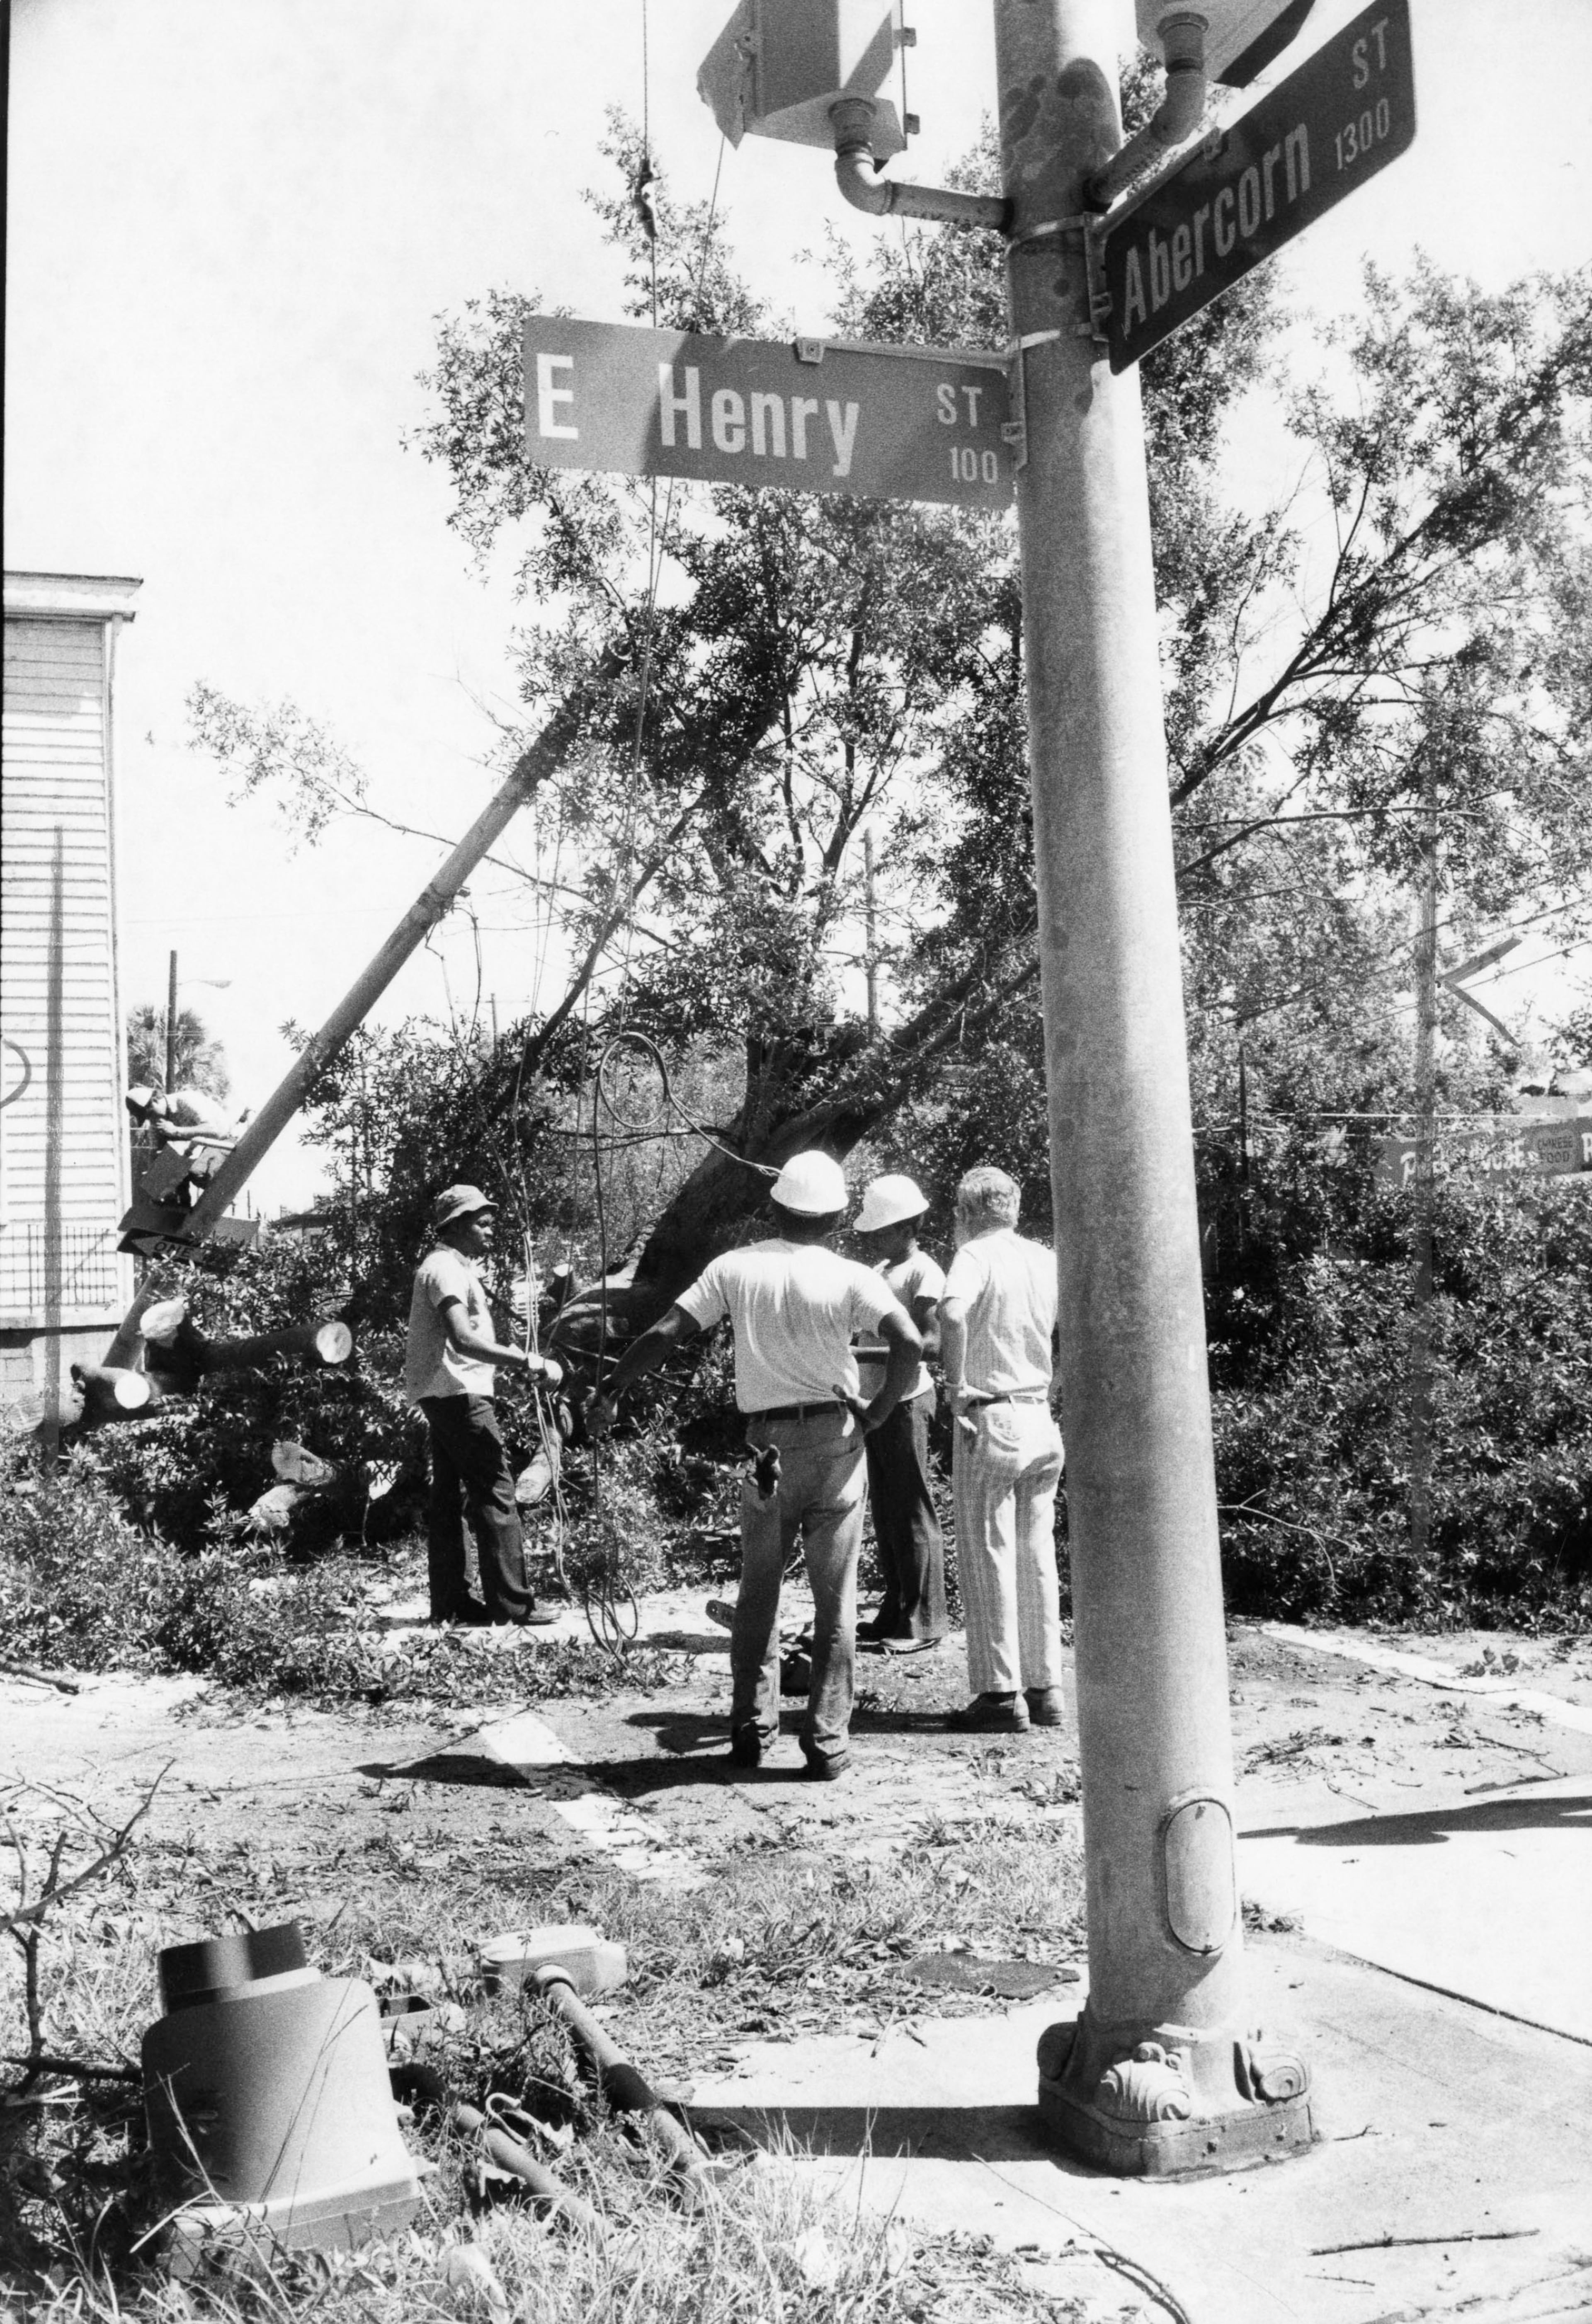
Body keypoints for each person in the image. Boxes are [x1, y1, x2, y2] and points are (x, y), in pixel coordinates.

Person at [588, 1152, 922, 1779]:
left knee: (759, 1588)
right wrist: (877, 1414)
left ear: (776, 1207)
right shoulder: (852, 1275)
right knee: (836, 1597)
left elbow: (665, 1331)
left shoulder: (735, 1267)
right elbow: (909, 1340)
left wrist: (612, 1387)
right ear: (837, 1215)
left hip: (764, 1445)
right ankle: (825, 1741)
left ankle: (751, 1723)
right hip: (836, 1441)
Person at [938, 1165, 1066, 1733]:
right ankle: (1047, 1686)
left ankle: (998, 1691)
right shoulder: (1045, 1257)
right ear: (1013, 1207)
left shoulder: (975, 1256)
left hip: (993, 1412)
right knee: (1036, 1554)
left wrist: (955, 1385)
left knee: (988, 1549)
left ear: (966, 1213)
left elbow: (950, 1311)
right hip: (1040, 1412)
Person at [405, 1185, 562, 1628]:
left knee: (448, 1499)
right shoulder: (444, 1269)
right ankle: (513, 1606)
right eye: (482, 1222)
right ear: (453, 1227)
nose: (490, 1229)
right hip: (458, 1393)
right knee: (496, 1492)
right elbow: (463, 1338)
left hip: (444, 1391)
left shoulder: (449, 1266)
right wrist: (527, 1359)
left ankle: (453, 1603)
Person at [852, 1173, 949, 1650]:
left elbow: (929, 1345)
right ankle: (896, 1608)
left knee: (911, 1509)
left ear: (910, 1226)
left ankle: (924, 1620)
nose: (878, 1238)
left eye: (886, 1229)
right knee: (887, 1511)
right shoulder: (879, 1271)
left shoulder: (923, 1271)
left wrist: (861, 1357)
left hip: (906, 1401)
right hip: (877, 1404)